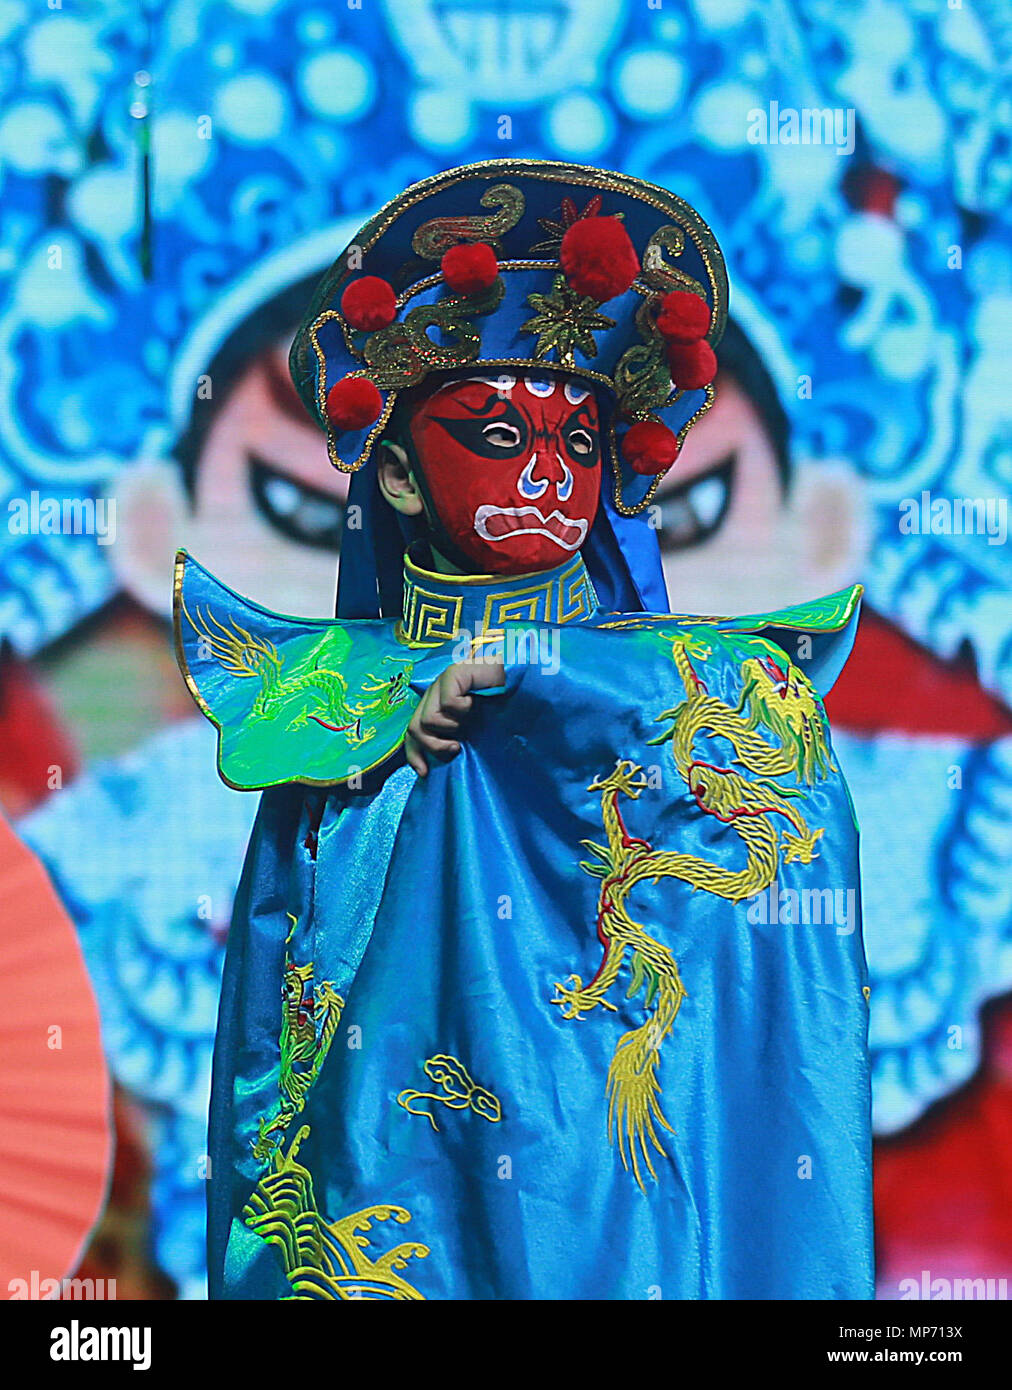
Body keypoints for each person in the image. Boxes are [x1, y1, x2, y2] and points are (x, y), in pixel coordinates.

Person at [175, 159, 873, 1300]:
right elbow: (293, 970)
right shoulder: (335, 698)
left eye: (579, 444)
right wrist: (402, 724)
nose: (548, 476)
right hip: (409, 1155)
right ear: (394, 474)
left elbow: (747, 836)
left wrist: (544, 685)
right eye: (498, 435)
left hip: (624, 1160)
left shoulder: (690, 680)